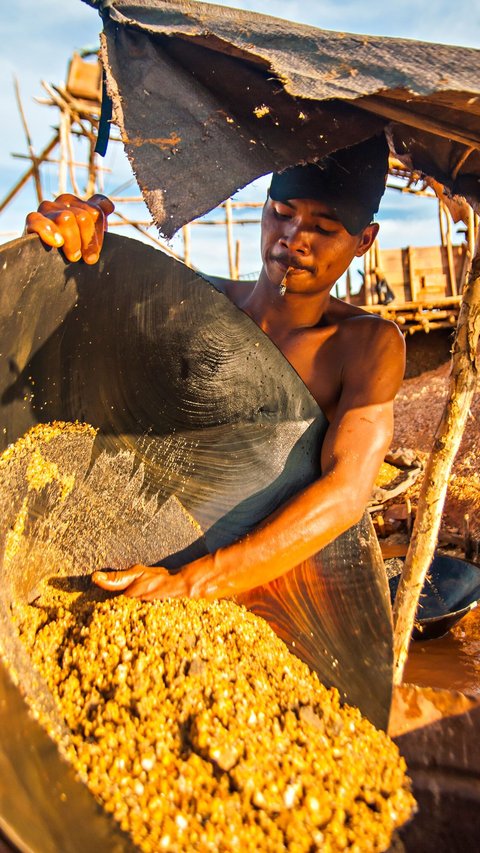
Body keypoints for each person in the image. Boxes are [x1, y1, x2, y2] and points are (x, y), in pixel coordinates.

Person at [25, 133, 405, 601]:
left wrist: (194, 582)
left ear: (364, 240)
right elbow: (73, 334)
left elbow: (346, 492)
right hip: (129, 540)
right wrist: (65, 248)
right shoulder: (193, 304)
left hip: (250, 579)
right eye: (282, 215)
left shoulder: (364, 346)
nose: (294, 239)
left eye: (325, 229)